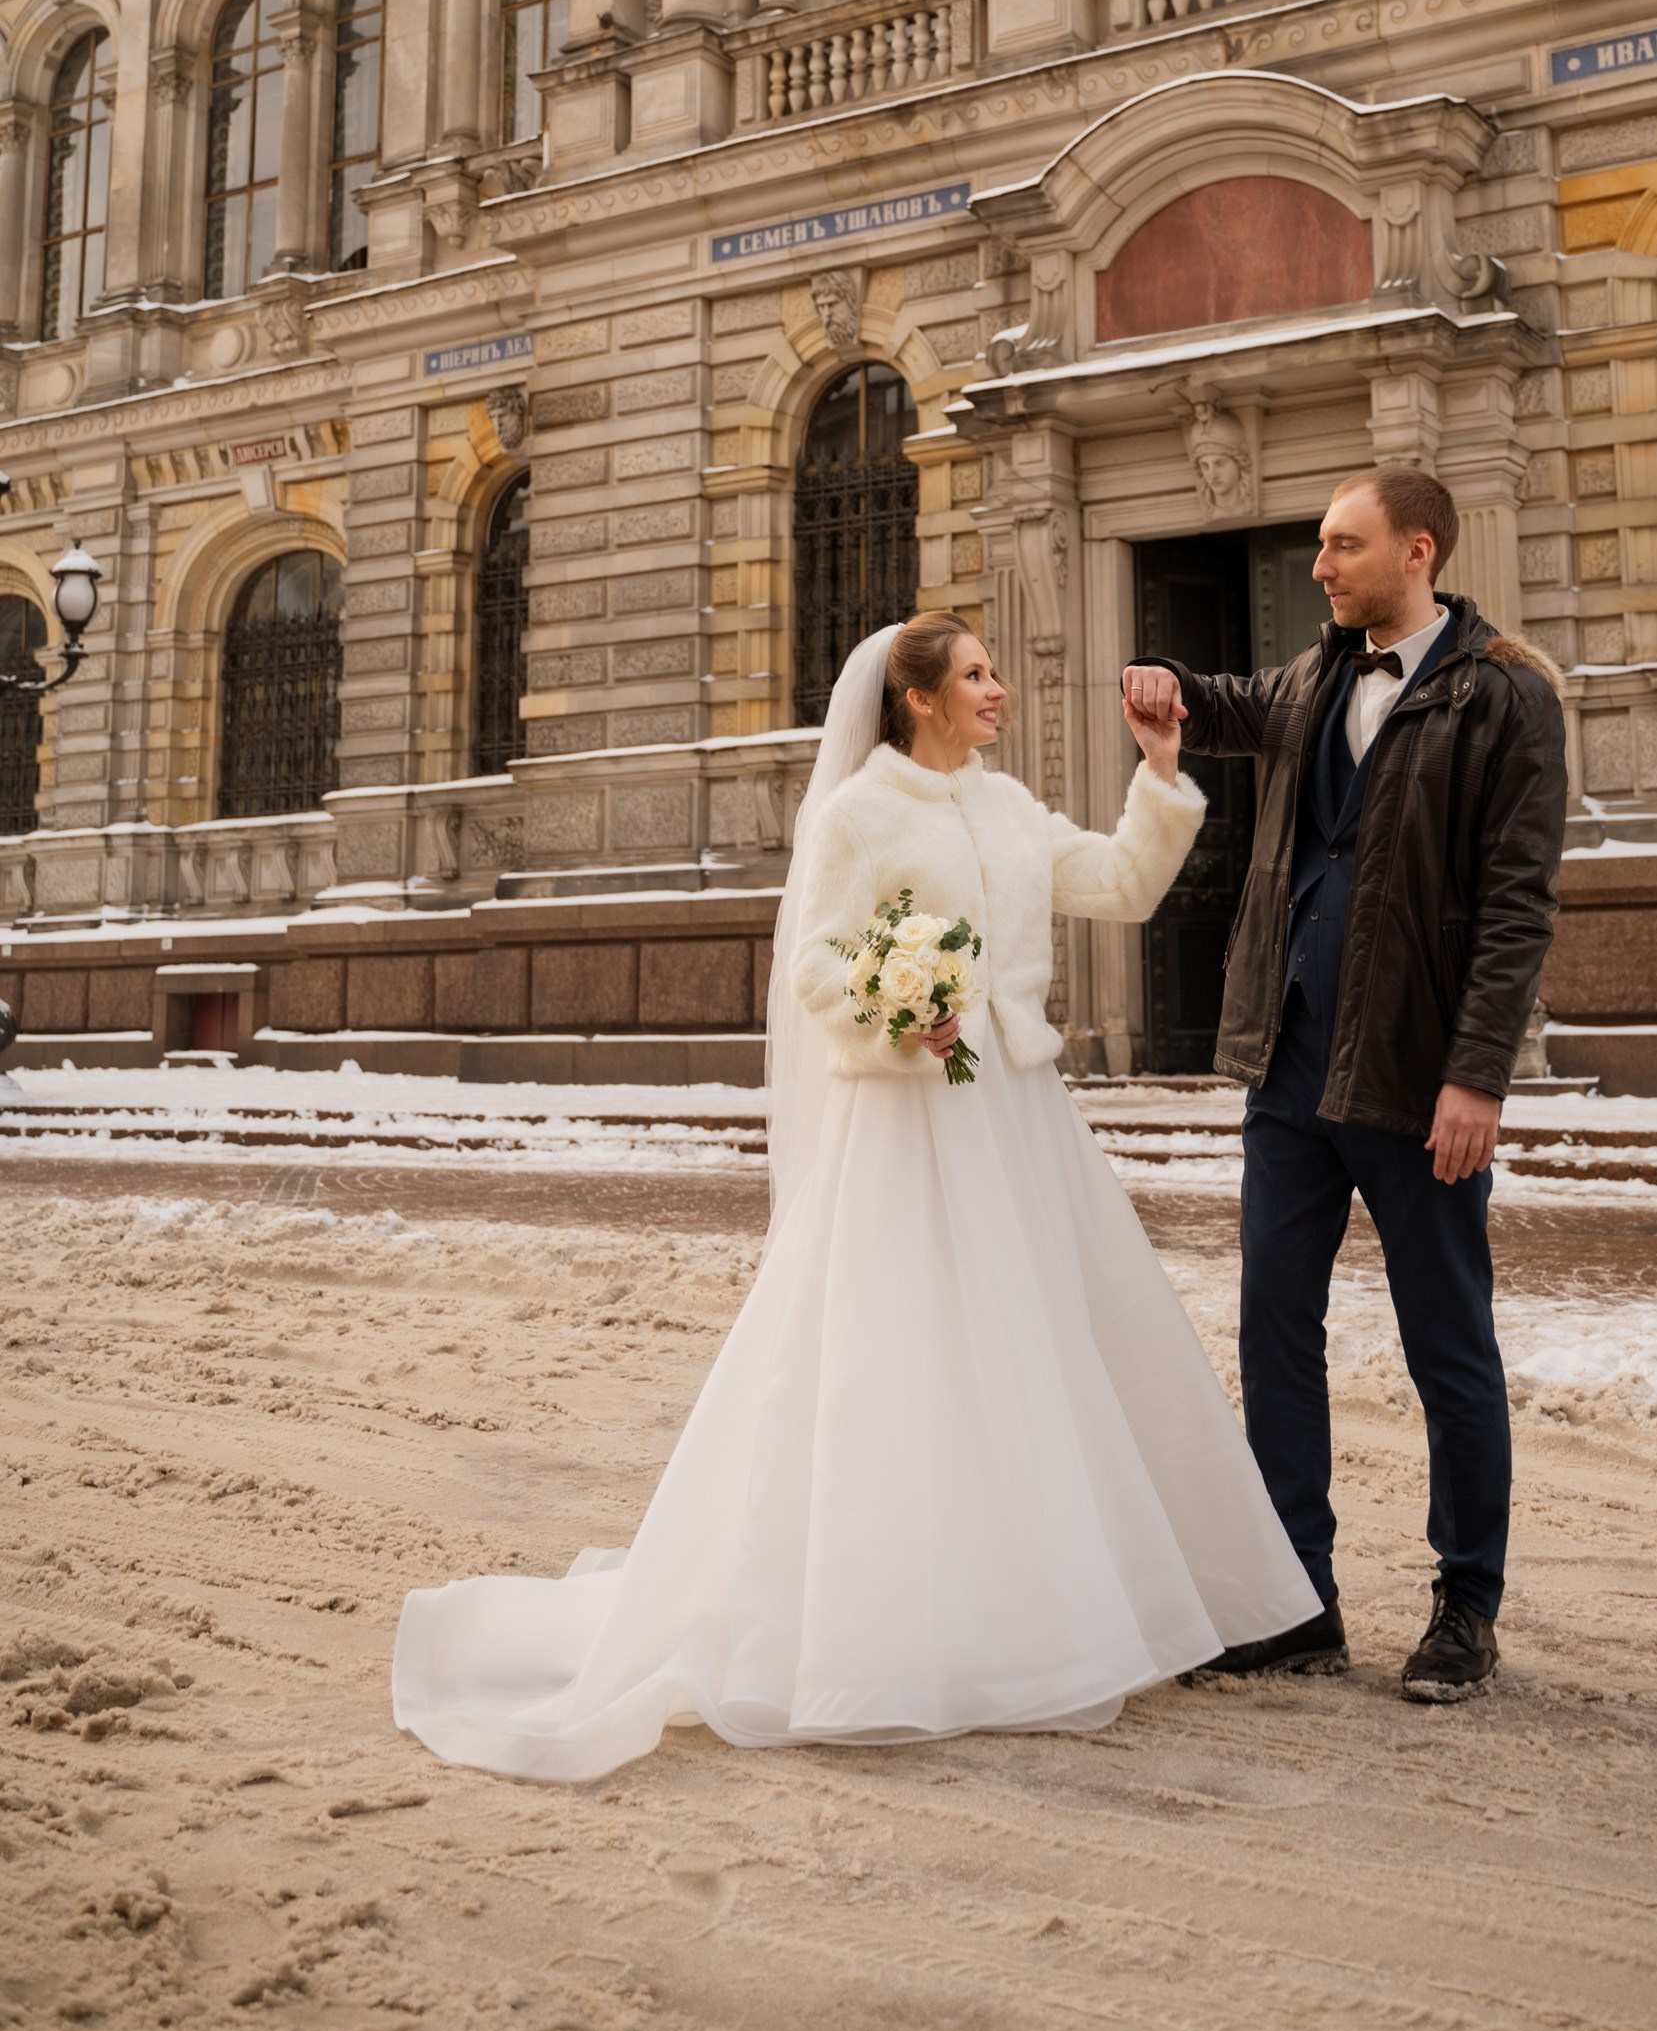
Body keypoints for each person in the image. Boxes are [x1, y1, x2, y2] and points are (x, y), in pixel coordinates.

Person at [393, 613, 1318, 1777]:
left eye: (992, 671)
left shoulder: (1005, 804)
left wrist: (1163, 771)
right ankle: (889, 1621)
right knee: (905, 1350)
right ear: (917, 696)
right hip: (911, 1111)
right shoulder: (858, 813)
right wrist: (895, 1015)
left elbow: (1124, 887)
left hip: (1017, 1112)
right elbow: (818, 960)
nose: (997, 689)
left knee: (1042, 1345)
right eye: (976, 674)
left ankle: (1047, 1597)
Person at [1122, 468, 1566, 1703]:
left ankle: (1463, 1604)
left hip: (1414, 1076)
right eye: (1317, 546)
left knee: (1446, 1348)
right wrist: (1158, 688)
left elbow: (1516, 901)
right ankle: (1296, 1599)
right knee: (1274, 1335)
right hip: (1287, 1064)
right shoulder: (1318, 671)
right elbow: (1221, 703)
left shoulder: (1503, 694)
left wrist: (1476, 1074)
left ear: (1414, 549)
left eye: (1340, 545)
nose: (1318, 565)